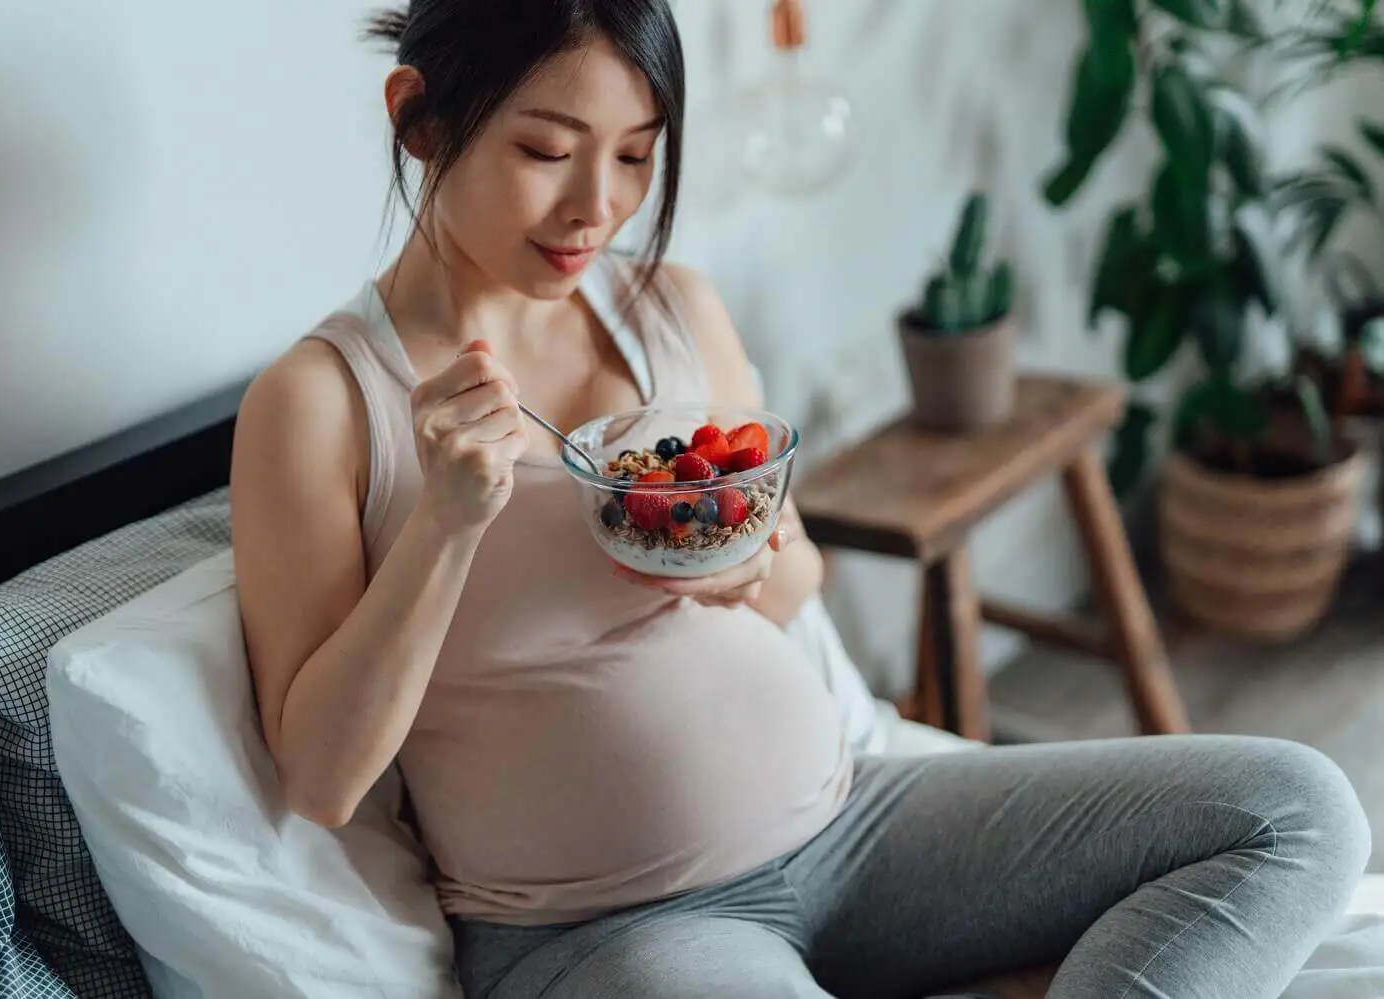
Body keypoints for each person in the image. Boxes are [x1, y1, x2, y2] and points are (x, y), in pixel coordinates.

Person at [228, 2, 1372, 996]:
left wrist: (746, 564)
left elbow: (796, 572)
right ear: (420, 118)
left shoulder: (671, 308)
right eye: (546, 148)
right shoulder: (324, 401)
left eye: (636, 156)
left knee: (1297, 810)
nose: (596, 207)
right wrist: (446, 525)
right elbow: (324, 780)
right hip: (610, 931)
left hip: (855, 827)